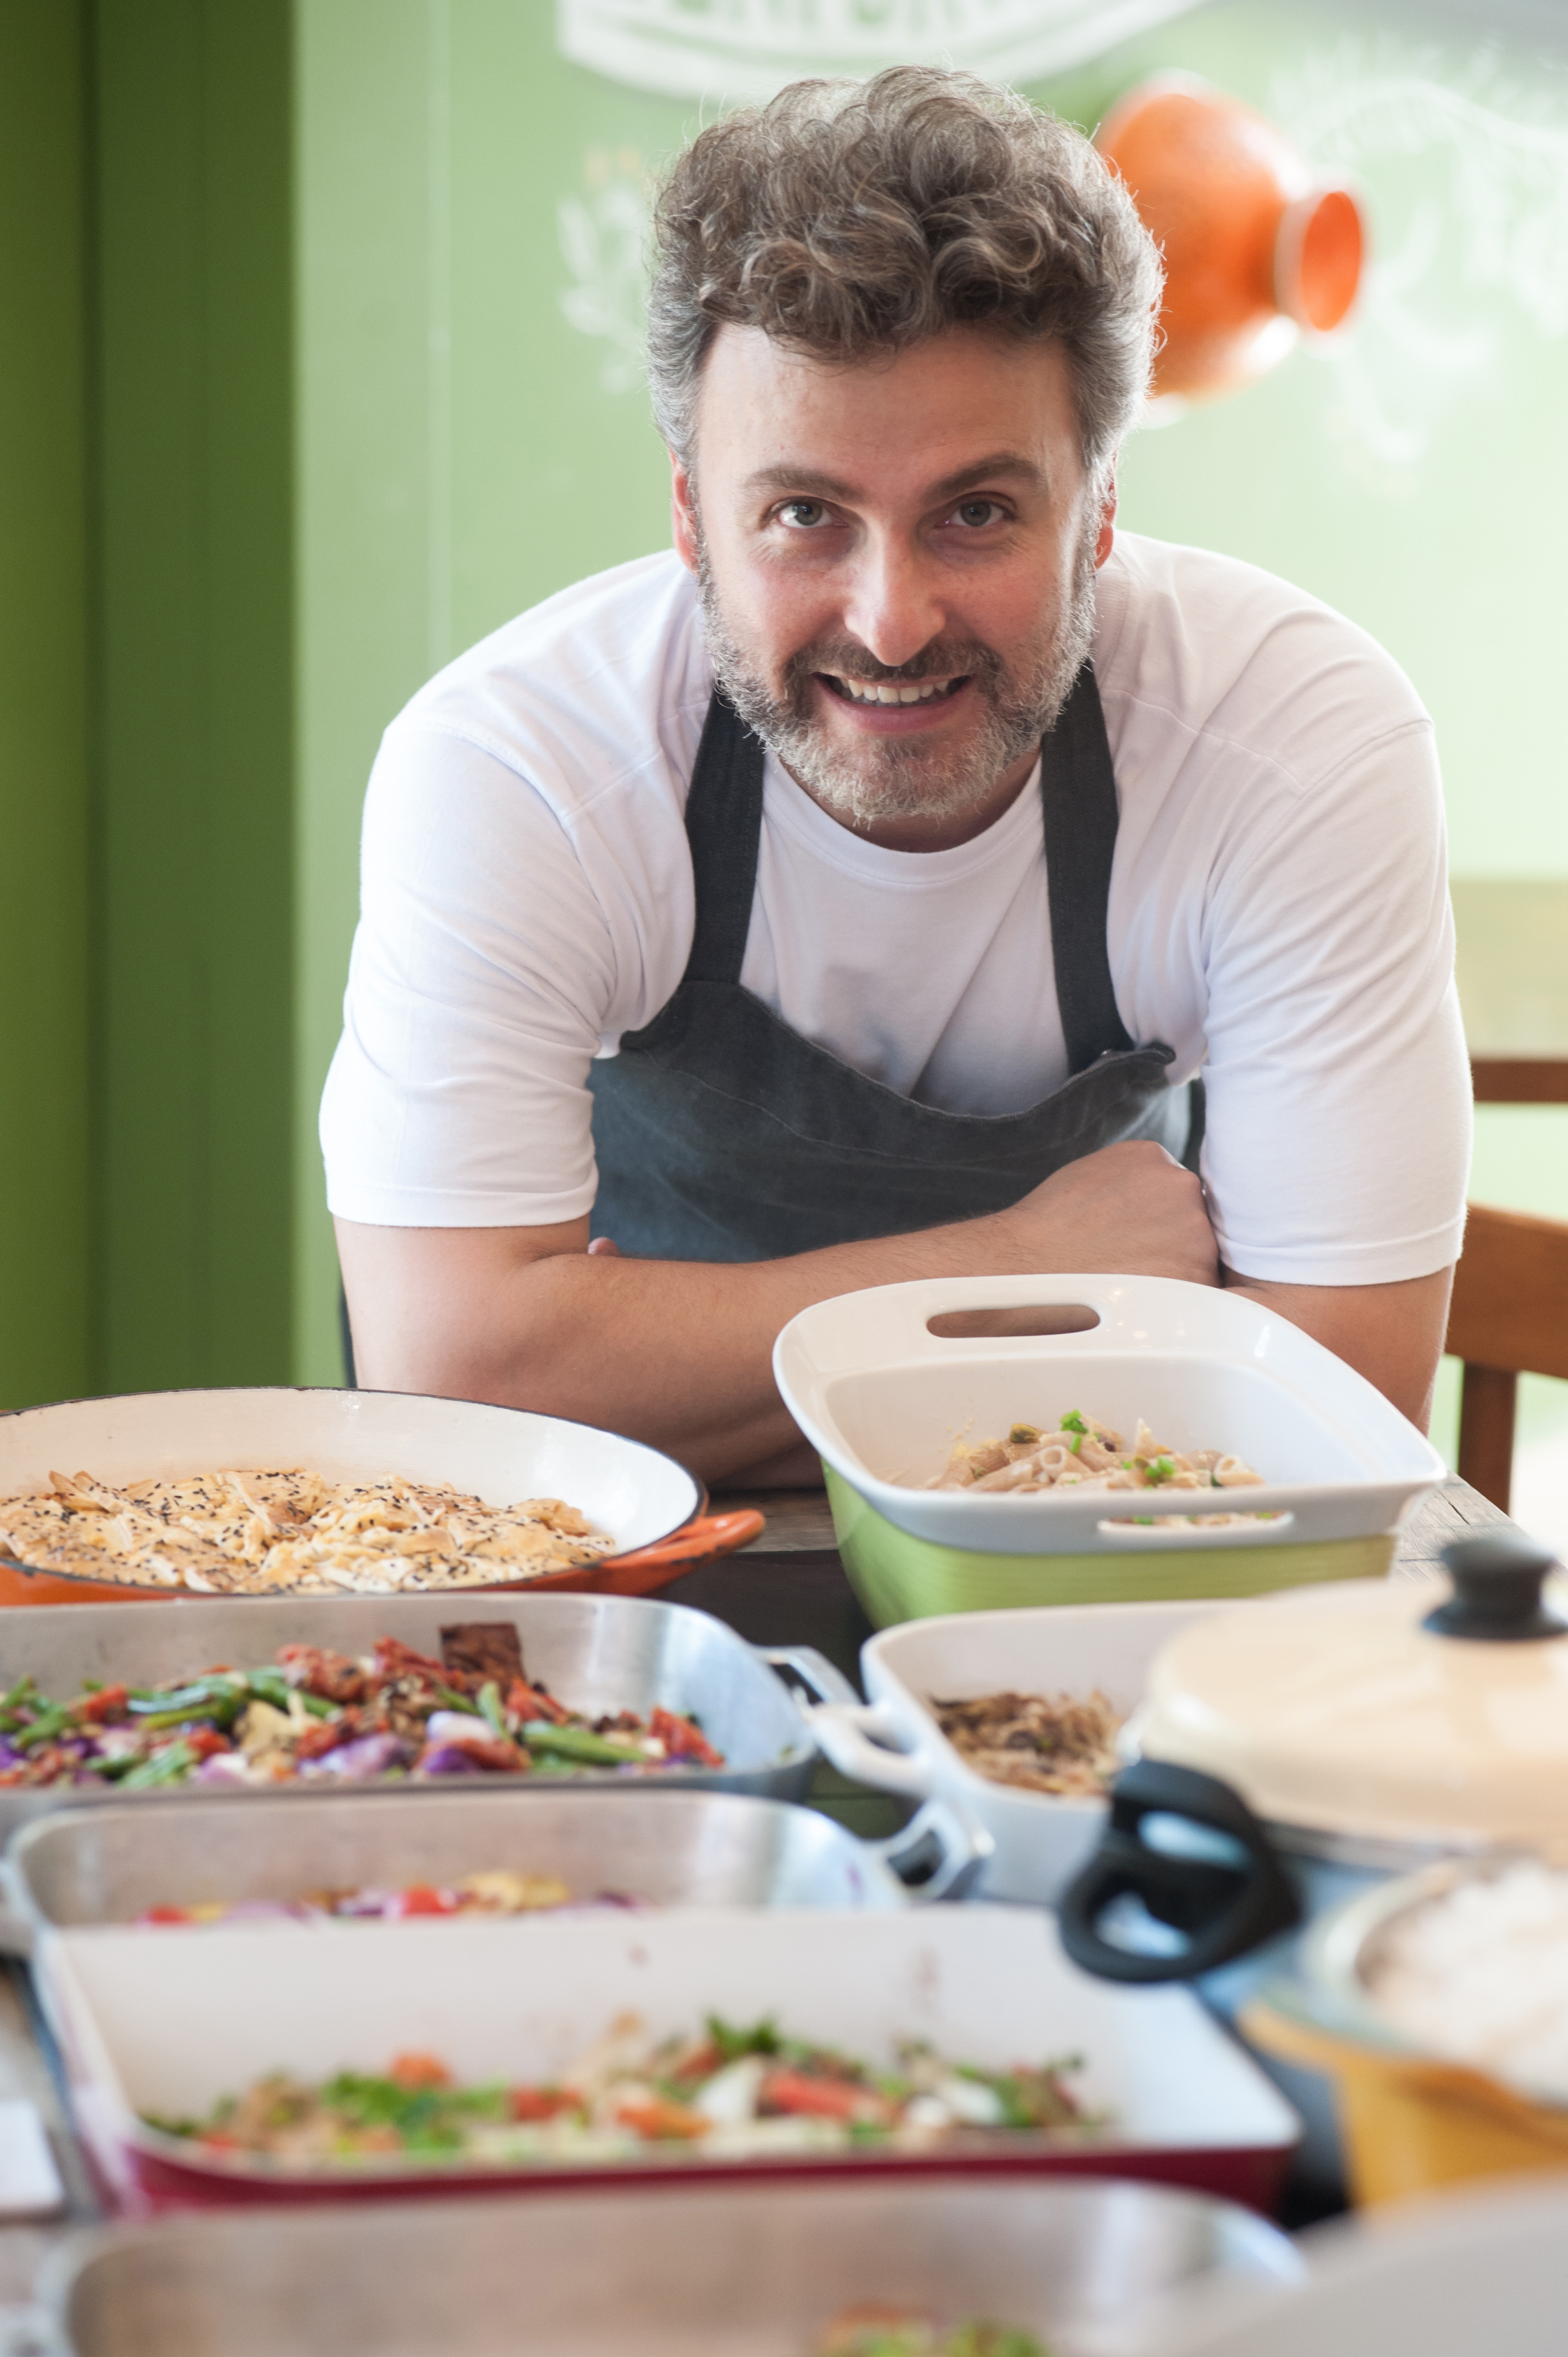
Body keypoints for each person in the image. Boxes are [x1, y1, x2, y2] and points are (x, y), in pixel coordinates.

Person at [324, 68, 1469, 1488]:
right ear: (691, 515)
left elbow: (1336, 1409)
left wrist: (641, 1354)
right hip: (626, 1585)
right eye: (805, 514)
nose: (891, 620)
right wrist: (1019, 1272)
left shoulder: (1296, 741)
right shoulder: (520, 769)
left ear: (1100, 509)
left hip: (1112, 1577)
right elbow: (453, 1379)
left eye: (976, 513)